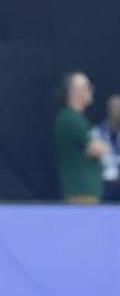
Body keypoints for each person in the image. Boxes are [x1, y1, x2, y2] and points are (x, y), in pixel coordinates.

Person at [54, 72, 109, 204]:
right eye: (87, 87)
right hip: (81, 194)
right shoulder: (70, 119)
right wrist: (100, 146)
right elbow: (96, 149)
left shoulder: (78, 119)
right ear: (75, 92)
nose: (91, 90)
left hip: (86, 193)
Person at [90, 94, 120, 201]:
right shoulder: (96, 132)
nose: (118, 111)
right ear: (108, 110)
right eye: (116, 107)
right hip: (105, 185)